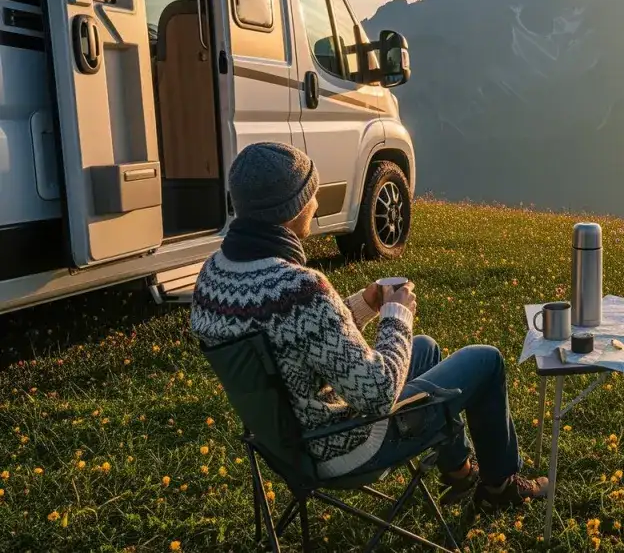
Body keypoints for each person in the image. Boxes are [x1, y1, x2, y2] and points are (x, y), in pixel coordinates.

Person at [191, 142, 547, 508]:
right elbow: (377, 394)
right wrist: (397, 314)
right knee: (486, 361)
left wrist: (365, 303)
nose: (315, 203)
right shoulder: (299, 288)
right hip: (344, 444)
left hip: (286, 443)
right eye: (310, 194)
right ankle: (500, 488)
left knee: (423, 348)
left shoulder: (213, 278)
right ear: (292, 209)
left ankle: (459, 473)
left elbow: (292, 337)